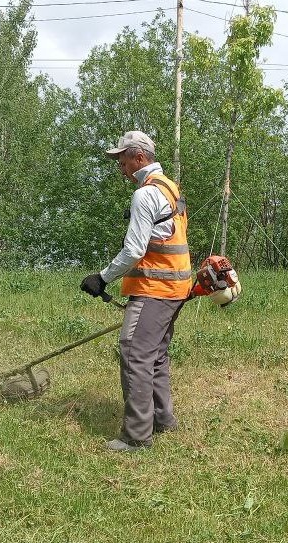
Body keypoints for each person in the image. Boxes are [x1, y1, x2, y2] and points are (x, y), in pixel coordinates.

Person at [80, 130, 191, 452]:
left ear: (139, 157)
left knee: (134, 352)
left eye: (123, 160)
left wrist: (101, 278)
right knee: (155, 354)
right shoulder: (169, 186)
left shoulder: (145, 195)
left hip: (154, 287)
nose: (120, 167)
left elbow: (133, 250)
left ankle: (137, 436)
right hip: (176, 285)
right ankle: (163, 419)